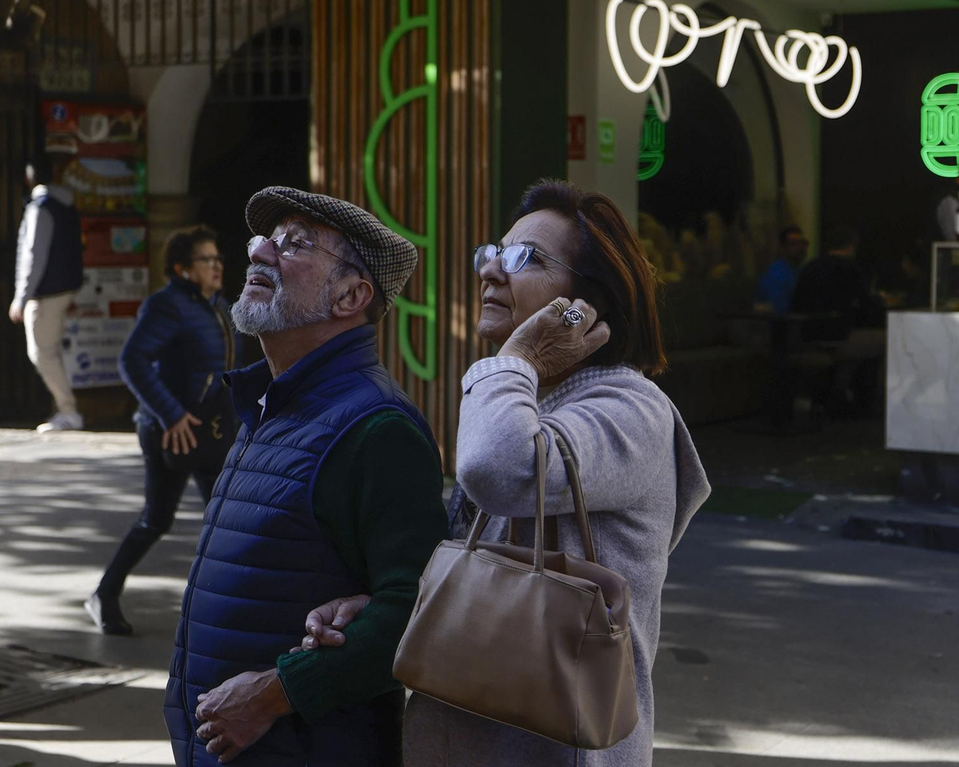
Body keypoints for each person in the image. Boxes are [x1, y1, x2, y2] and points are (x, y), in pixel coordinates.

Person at [298, 179, 710, 767]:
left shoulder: (631, 410)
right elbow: (472, 559)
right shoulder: (523, 401)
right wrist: (390, 600)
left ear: (586, 303)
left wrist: (514, 360)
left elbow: (498, 470)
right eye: (491, 252)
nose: (491, 270)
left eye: (524, 258)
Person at [164, 187, 448, 767]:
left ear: (351, 294)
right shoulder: (269, 404)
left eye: (296, 244)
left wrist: (274, 694)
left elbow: (418, 610)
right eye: (266, 240)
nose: (262, 254)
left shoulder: (376, 426)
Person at [89, 225, 238, 637]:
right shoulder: (166, 305)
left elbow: (224, 373)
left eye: (218, 258)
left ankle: (218, 609)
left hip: (209, 431)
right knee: (157, 519)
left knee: (224, 518)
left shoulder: (219, 307)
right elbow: (132, 361)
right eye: (207, 260)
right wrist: (170, 415)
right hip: (169, 430)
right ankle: (105, 593)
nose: (217, 266)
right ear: (182, 268)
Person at [10, 153, 85, 432]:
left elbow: (33, 256)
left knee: (42, 353)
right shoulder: (65, 206)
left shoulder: (40, 208)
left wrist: (21, 297)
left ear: (28, 178)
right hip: (63, 290)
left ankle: (68, 410)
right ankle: (65, 409)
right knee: (50, 351)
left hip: (45, 294)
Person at [792, 226, 887, 416]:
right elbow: (869, 306)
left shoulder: (809, 268)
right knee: (886, 339)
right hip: (837, 338)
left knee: (854, 348)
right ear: (851, 246)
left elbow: (797, 302)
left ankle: (839, 393)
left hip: (808, 336)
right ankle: (872, 402)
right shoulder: (851, 270)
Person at [755, 225, 809, 314]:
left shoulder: (800, 271)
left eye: (802, 243)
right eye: (794, 244)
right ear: (783, 248)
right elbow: (780, 312)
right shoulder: (776, 275)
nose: (800, 248)